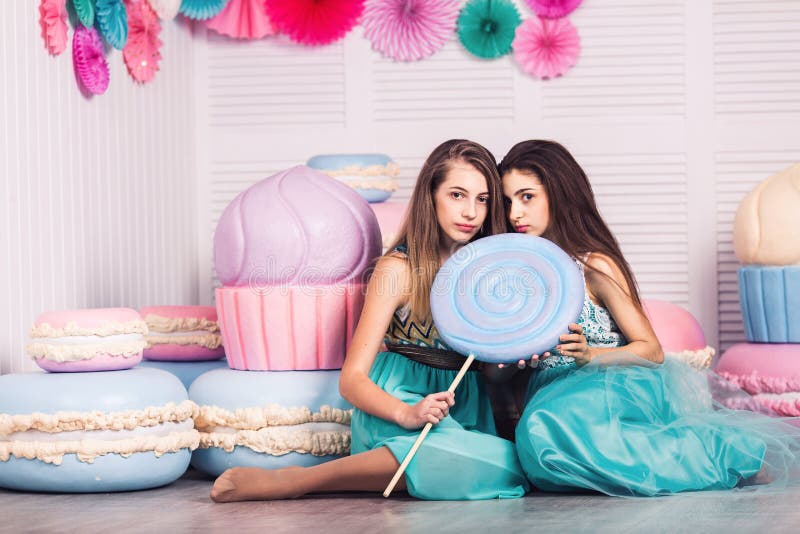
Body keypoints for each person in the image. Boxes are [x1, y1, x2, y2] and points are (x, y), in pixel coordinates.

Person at [210, 139, 529, 502]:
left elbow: (489, 371)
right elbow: (352, 380)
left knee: (510, 462)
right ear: (431, 196)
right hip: (397, 409)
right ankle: (298, 480)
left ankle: (430, 461)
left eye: (482, 199)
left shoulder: (489, 276)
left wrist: (515, 361)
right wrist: (406, 413)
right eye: (457, 195)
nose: (470, 211)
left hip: (461, 409)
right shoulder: (398, 269)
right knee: (461, 457)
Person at [499, 139, 800, 497]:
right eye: (508, 201)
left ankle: (727, 452)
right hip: (551, 393)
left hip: (606, 382)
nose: (515, 212)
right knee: (541, 452)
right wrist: (515, 360)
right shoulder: (518, 275)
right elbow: (501, 366)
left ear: (559, 194)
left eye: (527, 197)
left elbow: (652, 350)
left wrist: (588, 356)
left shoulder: (592, 265)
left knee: (548, 425)